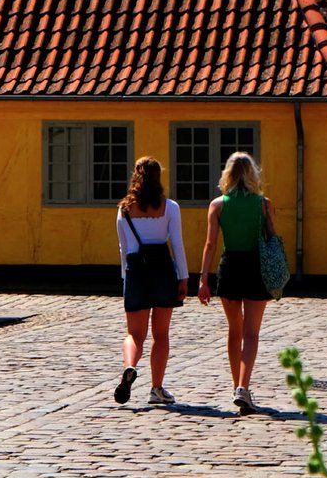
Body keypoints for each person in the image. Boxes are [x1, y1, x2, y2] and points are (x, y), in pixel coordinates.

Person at [198, 151, 275, 413]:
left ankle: (236, 387)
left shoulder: (218, 205)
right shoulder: (263, 204)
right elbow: (271, 238)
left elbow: (210, 244)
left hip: (229, 267)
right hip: (255, 267)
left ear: (228, 174)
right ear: (253, 174)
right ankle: (244, 386)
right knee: (252, 333)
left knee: (235, 330)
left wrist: (203, 279)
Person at [114, 156, 187, 406]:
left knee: (134, 334)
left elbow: (124, 249)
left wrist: (126, 279)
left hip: (136, 271)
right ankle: (156, 388)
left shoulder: (124, 209)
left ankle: (130, 367)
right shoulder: (170, 207)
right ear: (159, 177)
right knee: (161, 334)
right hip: (163, 271)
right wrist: (184, 277)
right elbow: (176, 243)